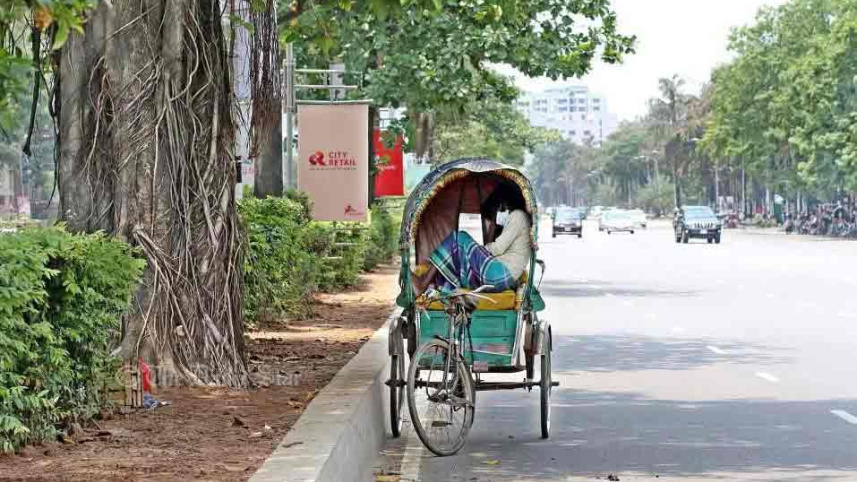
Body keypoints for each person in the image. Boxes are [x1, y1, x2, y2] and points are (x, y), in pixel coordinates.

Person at [412, 184, 532, 296]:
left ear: (504, 203)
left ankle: (423, 283)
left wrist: (477, 250)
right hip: (501, 275)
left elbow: (497, 248)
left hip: (500, 273)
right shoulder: (517, 218)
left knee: (458, 238)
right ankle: (438, 288)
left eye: (498, 209)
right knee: (457, 259)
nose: (498, 214)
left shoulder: (517, 216)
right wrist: (475, 251)